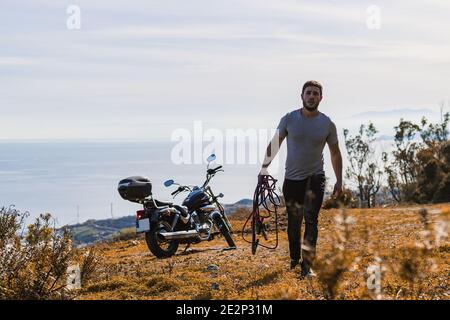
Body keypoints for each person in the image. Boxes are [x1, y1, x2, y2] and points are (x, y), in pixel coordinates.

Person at [259, 80, 343, 278]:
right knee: (294, 222)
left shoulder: (327, 124)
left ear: (321, 98)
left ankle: (308, 266)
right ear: (302, 96)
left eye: (315, 93)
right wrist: (264, 168)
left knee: (311, 220)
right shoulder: (289, 119)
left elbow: (335, 153)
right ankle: (294, 259)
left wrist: (339, 180)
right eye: (308, 93)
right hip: (292, 180)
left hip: (316, 178)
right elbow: (275, 144)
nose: (312, 96)